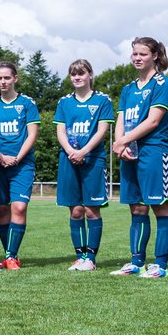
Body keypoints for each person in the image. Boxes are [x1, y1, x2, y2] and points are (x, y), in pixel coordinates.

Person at [111, 37, 168, 278]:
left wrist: (123, 141)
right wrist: (120, 144)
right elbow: (120, 120)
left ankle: (160, 265)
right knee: (137, 208)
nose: (137, 58)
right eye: (134, 54)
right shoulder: (128, 89)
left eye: (143, 54)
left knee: (160, 206)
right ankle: (136, 261)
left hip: (153, 152)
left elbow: (153, 120)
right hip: (129, 152)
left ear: (155, 56)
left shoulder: (162, 84)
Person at [54, 59, 114, 271]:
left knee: (91, 210)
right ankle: (79, 257)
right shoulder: (64, 102)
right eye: (73, 74)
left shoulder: (102, 101)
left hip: (93, 159)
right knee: (76, 211)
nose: (77, 77)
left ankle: (91, 258)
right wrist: (71, 151)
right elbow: (60, 130)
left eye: (81, 73)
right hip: (69, 159)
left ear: (90, 75)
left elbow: (102, 130)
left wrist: (84, 151)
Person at [0, 61, 40, 270]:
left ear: (15, 78)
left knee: (19, 207)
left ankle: (12, 256)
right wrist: (1, 157)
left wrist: (17, 157)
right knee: (1, 209)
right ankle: (9, 257)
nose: (3, 81)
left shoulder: (27, 104)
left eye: (7, 77)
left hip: (21, 164)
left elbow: (32, 134)